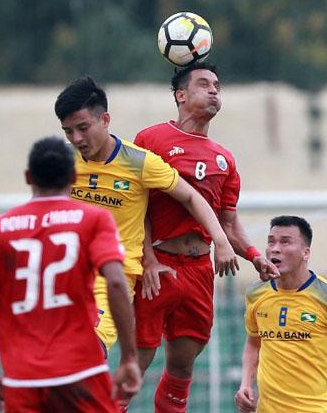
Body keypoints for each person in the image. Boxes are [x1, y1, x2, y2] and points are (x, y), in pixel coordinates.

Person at [54, 75, 240, 356]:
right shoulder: (61, 162)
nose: (77, 139)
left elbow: (191, 196)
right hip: (63, 274)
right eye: (69, 132)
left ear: (105, 120)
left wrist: (221, 241)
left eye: (83, 128)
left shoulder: (139, 162)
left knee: (87, 350)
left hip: (111, 278)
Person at [131, 62, 279, 412]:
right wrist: (148, 260)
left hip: (199, 271)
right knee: (136, 361)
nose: (214, 90)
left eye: (217, 85)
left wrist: (255, 255)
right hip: (157, 265)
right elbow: (135, 207)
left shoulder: (224, 159)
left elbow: (229, 224)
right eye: (204, 84)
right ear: (180, 95)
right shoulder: (150, 140)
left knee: (182, 365)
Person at [0, 136, 141, 413]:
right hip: (82, 371)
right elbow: (115, 281)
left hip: (23, 378)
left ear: (28, 177)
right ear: (73, 176)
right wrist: (128, 357)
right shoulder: (94, 219)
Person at [235, 215, 327, 413]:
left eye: (285, 241)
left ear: (306, 253)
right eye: (271, 242)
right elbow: (253, 343)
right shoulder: (256, 293)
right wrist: (245, 384)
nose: (275, 248)